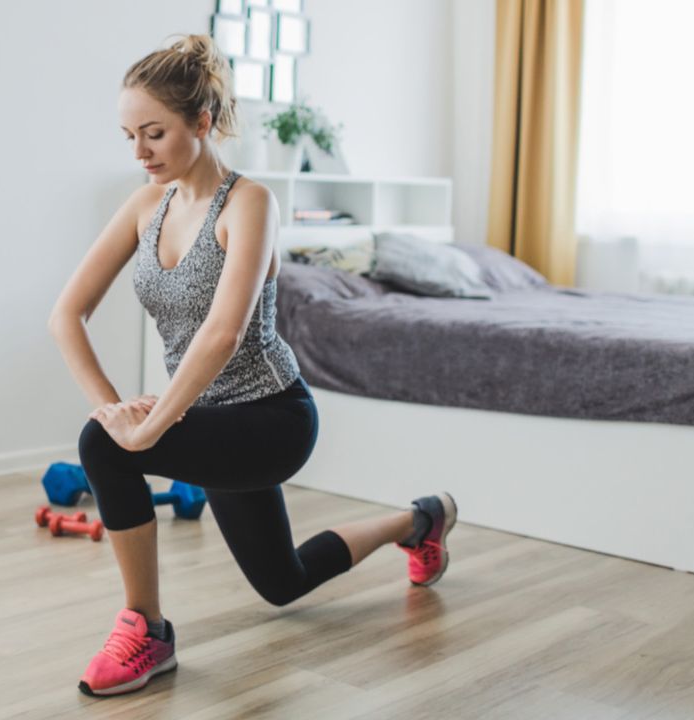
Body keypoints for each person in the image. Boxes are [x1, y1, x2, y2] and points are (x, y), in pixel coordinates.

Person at [47, 33, 458, 698]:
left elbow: (222, 333)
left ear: (202, 123)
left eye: (154, 133)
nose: (139, 151)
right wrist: (116, 409)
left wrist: (146, 428)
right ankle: (418, 521)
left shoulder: (249, 204)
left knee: (105, 450)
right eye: (130, 136)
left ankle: (147, 629)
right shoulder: (145, 206)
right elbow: (66, 314)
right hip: (206, 417)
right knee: (282, 582)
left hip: (272, 418)